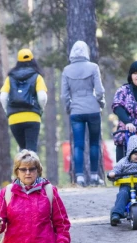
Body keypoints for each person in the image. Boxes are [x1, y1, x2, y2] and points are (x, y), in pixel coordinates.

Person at [61, 40, 106, 187]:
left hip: (76, 110)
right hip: (93, 109)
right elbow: (99, 91)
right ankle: (94, 176)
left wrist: (69, 107)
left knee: (78, 145)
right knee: (94, 143)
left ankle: (79, 177)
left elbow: (64, 95)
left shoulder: (66, 70)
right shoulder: (93, 67)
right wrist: (101, 103)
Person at [0, 48, 48, 152]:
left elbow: (3, 97)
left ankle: (20, 167)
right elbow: (42, 97)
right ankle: (32, 167)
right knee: (31, 151)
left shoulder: (10, 77)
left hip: (14, 119)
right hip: (32, 117)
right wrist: (41, 108)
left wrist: (6, 110)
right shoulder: (37, 76)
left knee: (23, 150)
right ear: (32, 60)